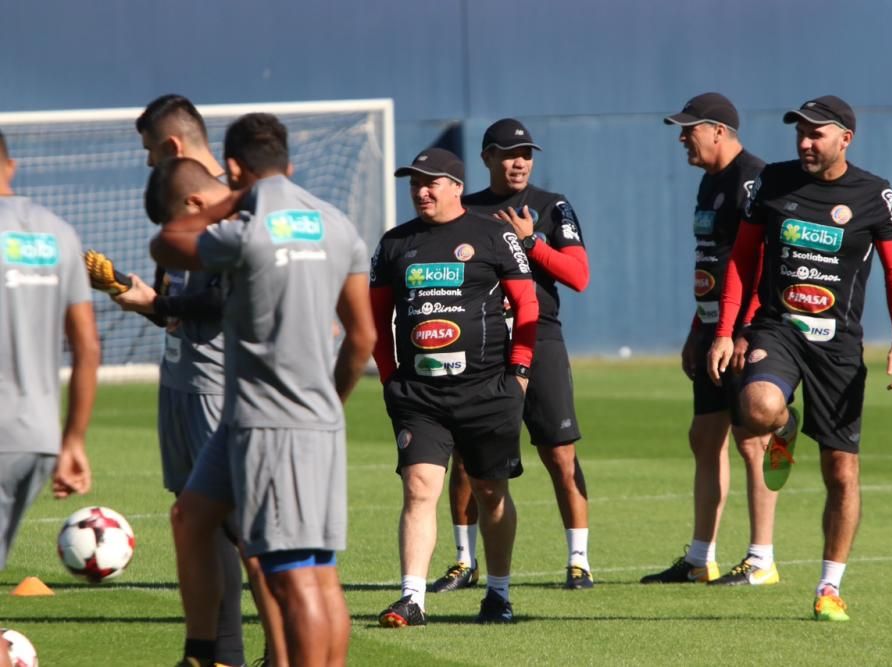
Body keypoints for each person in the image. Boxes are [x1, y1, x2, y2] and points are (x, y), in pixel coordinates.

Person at [150, 113, 376, 666]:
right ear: (290, 161)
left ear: (232, 167)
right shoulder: (336, 223)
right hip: (264, 418)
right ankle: (203, 652)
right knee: (193, 515)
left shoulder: (244, 228)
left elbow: (167, 243)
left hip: (273, 424)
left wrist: (229, 200)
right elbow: (363, 337)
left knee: (301, 578)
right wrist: (331, 404)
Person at [707, 96, 892, 621]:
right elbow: (743, 258)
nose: (804, 142)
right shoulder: (770, 184)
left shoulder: (875, 193)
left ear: (846, 138)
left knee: (841, 472)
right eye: (800, 132)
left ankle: (829, 587)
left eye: (816, 134)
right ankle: (783, 422)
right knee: (756, 408)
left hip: (839, 348)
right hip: (779, 329)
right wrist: (728, 331)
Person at [108, 94, 261, 667]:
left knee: (242, 529)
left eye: (150, 150)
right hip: (179, 379)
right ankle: (221, 654)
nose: (148, 163)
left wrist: (158, 302)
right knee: (197, 519)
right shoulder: (180, 208)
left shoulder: (234, 211)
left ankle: (279, 652)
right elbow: (176, 301)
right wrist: (145, 301)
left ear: (171, 146)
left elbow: (226, 299)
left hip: (217, 386)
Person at [370, 147, 538, 625]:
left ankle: (499, 595)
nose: (421, 191)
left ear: (457, 187)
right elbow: (377, 321)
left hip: (488, 389)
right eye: (414, 183)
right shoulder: (394, 243)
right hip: (420, 397)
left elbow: (527, 308)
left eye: (431, 182)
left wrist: (520, 373)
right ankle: (412, 598)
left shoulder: (493, 234)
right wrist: (389, 376)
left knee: (490, 493)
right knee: (420, 488)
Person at [428, 118, 594, 592]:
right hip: (481, 342)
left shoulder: (551, 206)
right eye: (506, 153)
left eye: (525, 153)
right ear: (486, 158)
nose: (518, 161)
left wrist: (529, 243)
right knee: (466, 457)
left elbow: (578, 276)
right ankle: (464, 562)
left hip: (537, 335)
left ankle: (578, 561)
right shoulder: (467, 209)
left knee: (559, 453)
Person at [641, 93, 779, 587]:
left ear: (718, 130)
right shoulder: (709, 183)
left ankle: (762, 560)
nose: (681, 138)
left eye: (689, 129)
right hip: (713, 331)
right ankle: (701, 559)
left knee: (752, 440)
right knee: (705, 437)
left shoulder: (753, 179)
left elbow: (759, 263)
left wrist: (741, 332)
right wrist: (698, 329)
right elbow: (712, 262)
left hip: (745, 332)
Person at [0, 129, 100, 570]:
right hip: (38, 439)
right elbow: (88, 347)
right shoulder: (60, 234)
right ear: (10, 165)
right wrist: (73, 439)